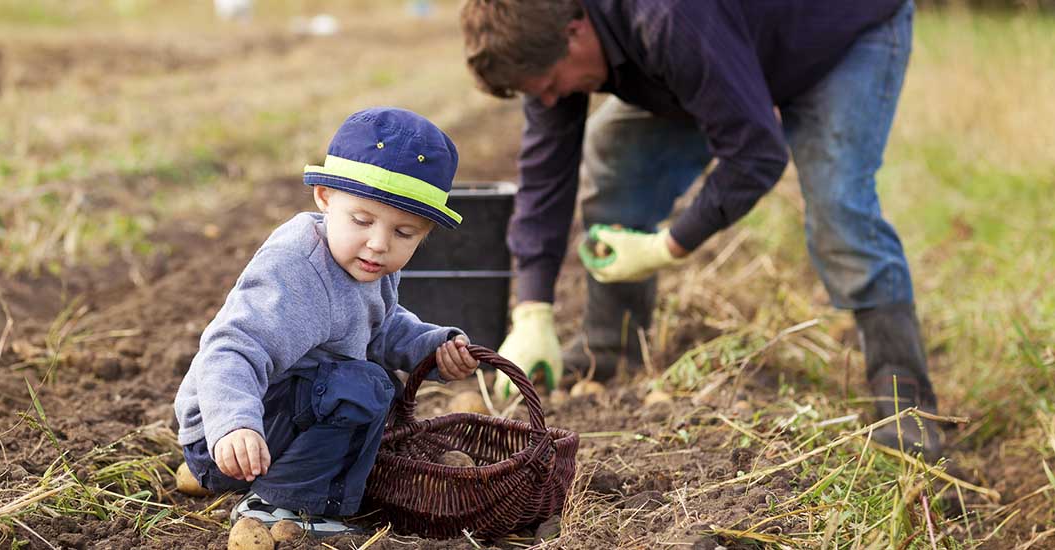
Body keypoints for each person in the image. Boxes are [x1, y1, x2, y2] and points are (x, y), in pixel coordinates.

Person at [460, 0, 941, 458]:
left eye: (547, 83)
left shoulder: (668, 19)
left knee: (841, 208)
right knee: (618, 154)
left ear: (575, 31)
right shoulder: (544, 31)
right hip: (728, 53)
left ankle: (905, 397)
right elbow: (545, 174)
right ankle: (612, 346)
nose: (548, 99)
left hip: (839, 39)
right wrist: (532, 309)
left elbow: (756, 153)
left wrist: (667, 246)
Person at [173, 107, 481, 535]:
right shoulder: (296, 271)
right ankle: (282, 507)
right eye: (362, 220)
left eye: (404, 234)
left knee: (374, 384)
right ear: (324, 197)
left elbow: (381, 325)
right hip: (228, 437)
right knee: (365, 386)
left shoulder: (367, 264)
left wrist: (433, 349)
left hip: (272, 423)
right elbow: (231, 348)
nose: (379, 243)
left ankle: (309, 485)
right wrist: (234, 425)